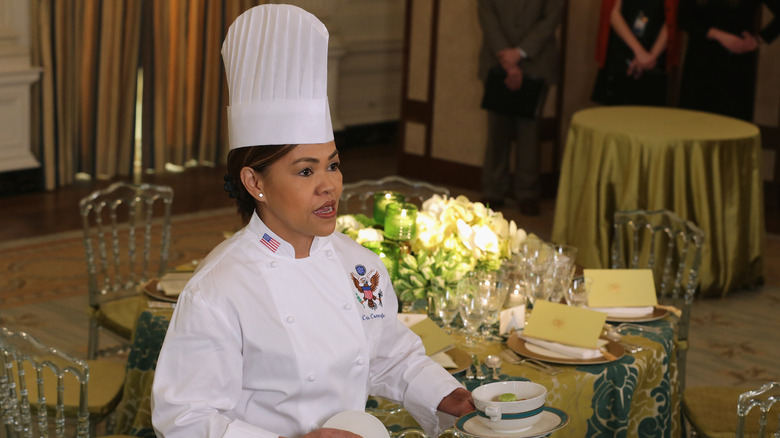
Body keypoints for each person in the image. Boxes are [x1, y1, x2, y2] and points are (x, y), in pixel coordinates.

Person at [151, 5, 474, 438]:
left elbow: (389, 355)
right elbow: (185, 419)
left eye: (333, 165)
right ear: (254, 182)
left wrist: (448, 397)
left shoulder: (360, 266)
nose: (330, 186)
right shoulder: (218, 289)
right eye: (306, 171)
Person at [477, 0, 565, 216]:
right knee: (497, 128)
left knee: (529, 131)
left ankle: (527, 193)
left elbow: (550, 19)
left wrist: (521, 52)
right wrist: (506, 56)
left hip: (537, 63)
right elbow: (487, 14)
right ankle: (493, 189)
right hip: (496, 60)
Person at [678, 0, 779, 121]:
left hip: (736, 63)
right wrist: (718, 35)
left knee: (733, 120)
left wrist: (757, 40)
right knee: (694, 120)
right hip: (699, 62)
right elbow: (683, 19)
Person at [592, 0, 680, 106]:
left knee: (651, 114)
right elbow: (612, 12)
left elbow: (673, 18)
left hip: (655, 58)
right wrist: (639, 52)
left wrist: (651, 56)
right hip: (621, 51)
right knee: (614, 114)